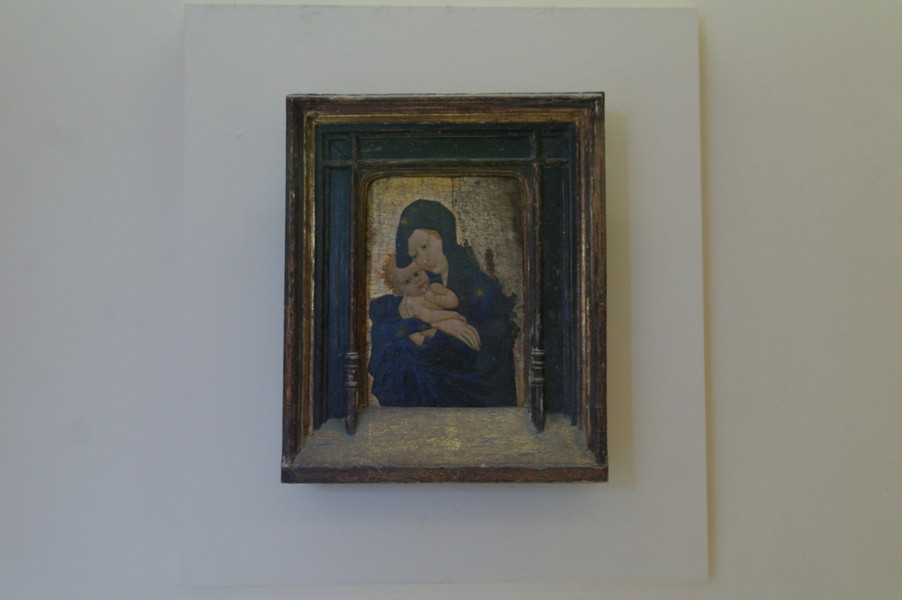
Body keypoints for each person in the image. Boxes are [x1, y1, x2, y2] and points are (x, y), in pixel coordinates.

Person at [368, 199, 517, 407]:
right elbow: (381, 315)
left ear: (445, 235)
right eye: (415, 255)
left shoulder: (481, 287)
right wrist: (437, 324)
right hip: (426, 392)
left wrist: (429, 334)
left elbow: (486, 349)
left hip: (470, 393)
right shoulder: (423, 282)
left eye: (425, 246)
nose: (423, 259)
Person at [380, 253, 465, 347]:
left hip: (444, 324)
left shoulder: (435, 287)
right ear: (399, 291)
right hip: (426, 336)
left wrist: (436, 298)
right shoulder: (412, 302)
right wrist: (452, 315)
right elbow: (429, 316)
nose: (416, 280)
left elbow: (454, 301)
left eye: (416, 274)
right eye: (407, 281)